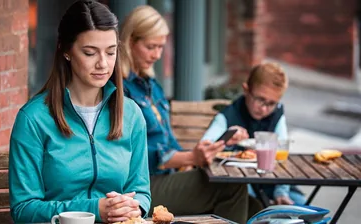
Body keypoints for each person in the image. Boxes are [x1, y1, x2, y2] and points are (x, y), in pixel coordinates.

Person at [8, 1, 151, 223]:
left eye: (111, 52)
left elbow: (141, 191)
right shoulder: (34, 119)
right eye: (90, 53)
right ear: (66, 51)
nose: (103, 63)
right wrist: (95, 209)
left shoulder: (131, 114)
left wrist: (134, 207)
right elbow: (24, 209)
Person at [120, 5, 259, 224]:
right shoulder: (121, 90)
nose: (157, 55)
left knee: (255, 206)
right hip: (140, 188)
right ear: (130, 42)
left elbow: (168, 144)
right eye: (150, 47)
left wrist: (203, 152)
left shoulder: (151, 86)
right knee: (231, 185)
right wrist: (190, 157)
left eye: (161, 47)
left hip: (166, 177)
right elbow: (135, 154)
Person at [202, 62, 306, 206]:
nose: (264, 109)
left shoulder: (276, 115)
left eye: (271, 103)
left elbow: (282, 154)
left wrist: (281, 191)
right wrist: (227, 138)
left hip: (270, 182)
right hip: (237, 186)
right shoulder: (227, 116)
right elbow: (205, 147)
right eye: (260, 100)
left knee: (302, 205)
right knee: (253, 206)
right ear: (246, 90)